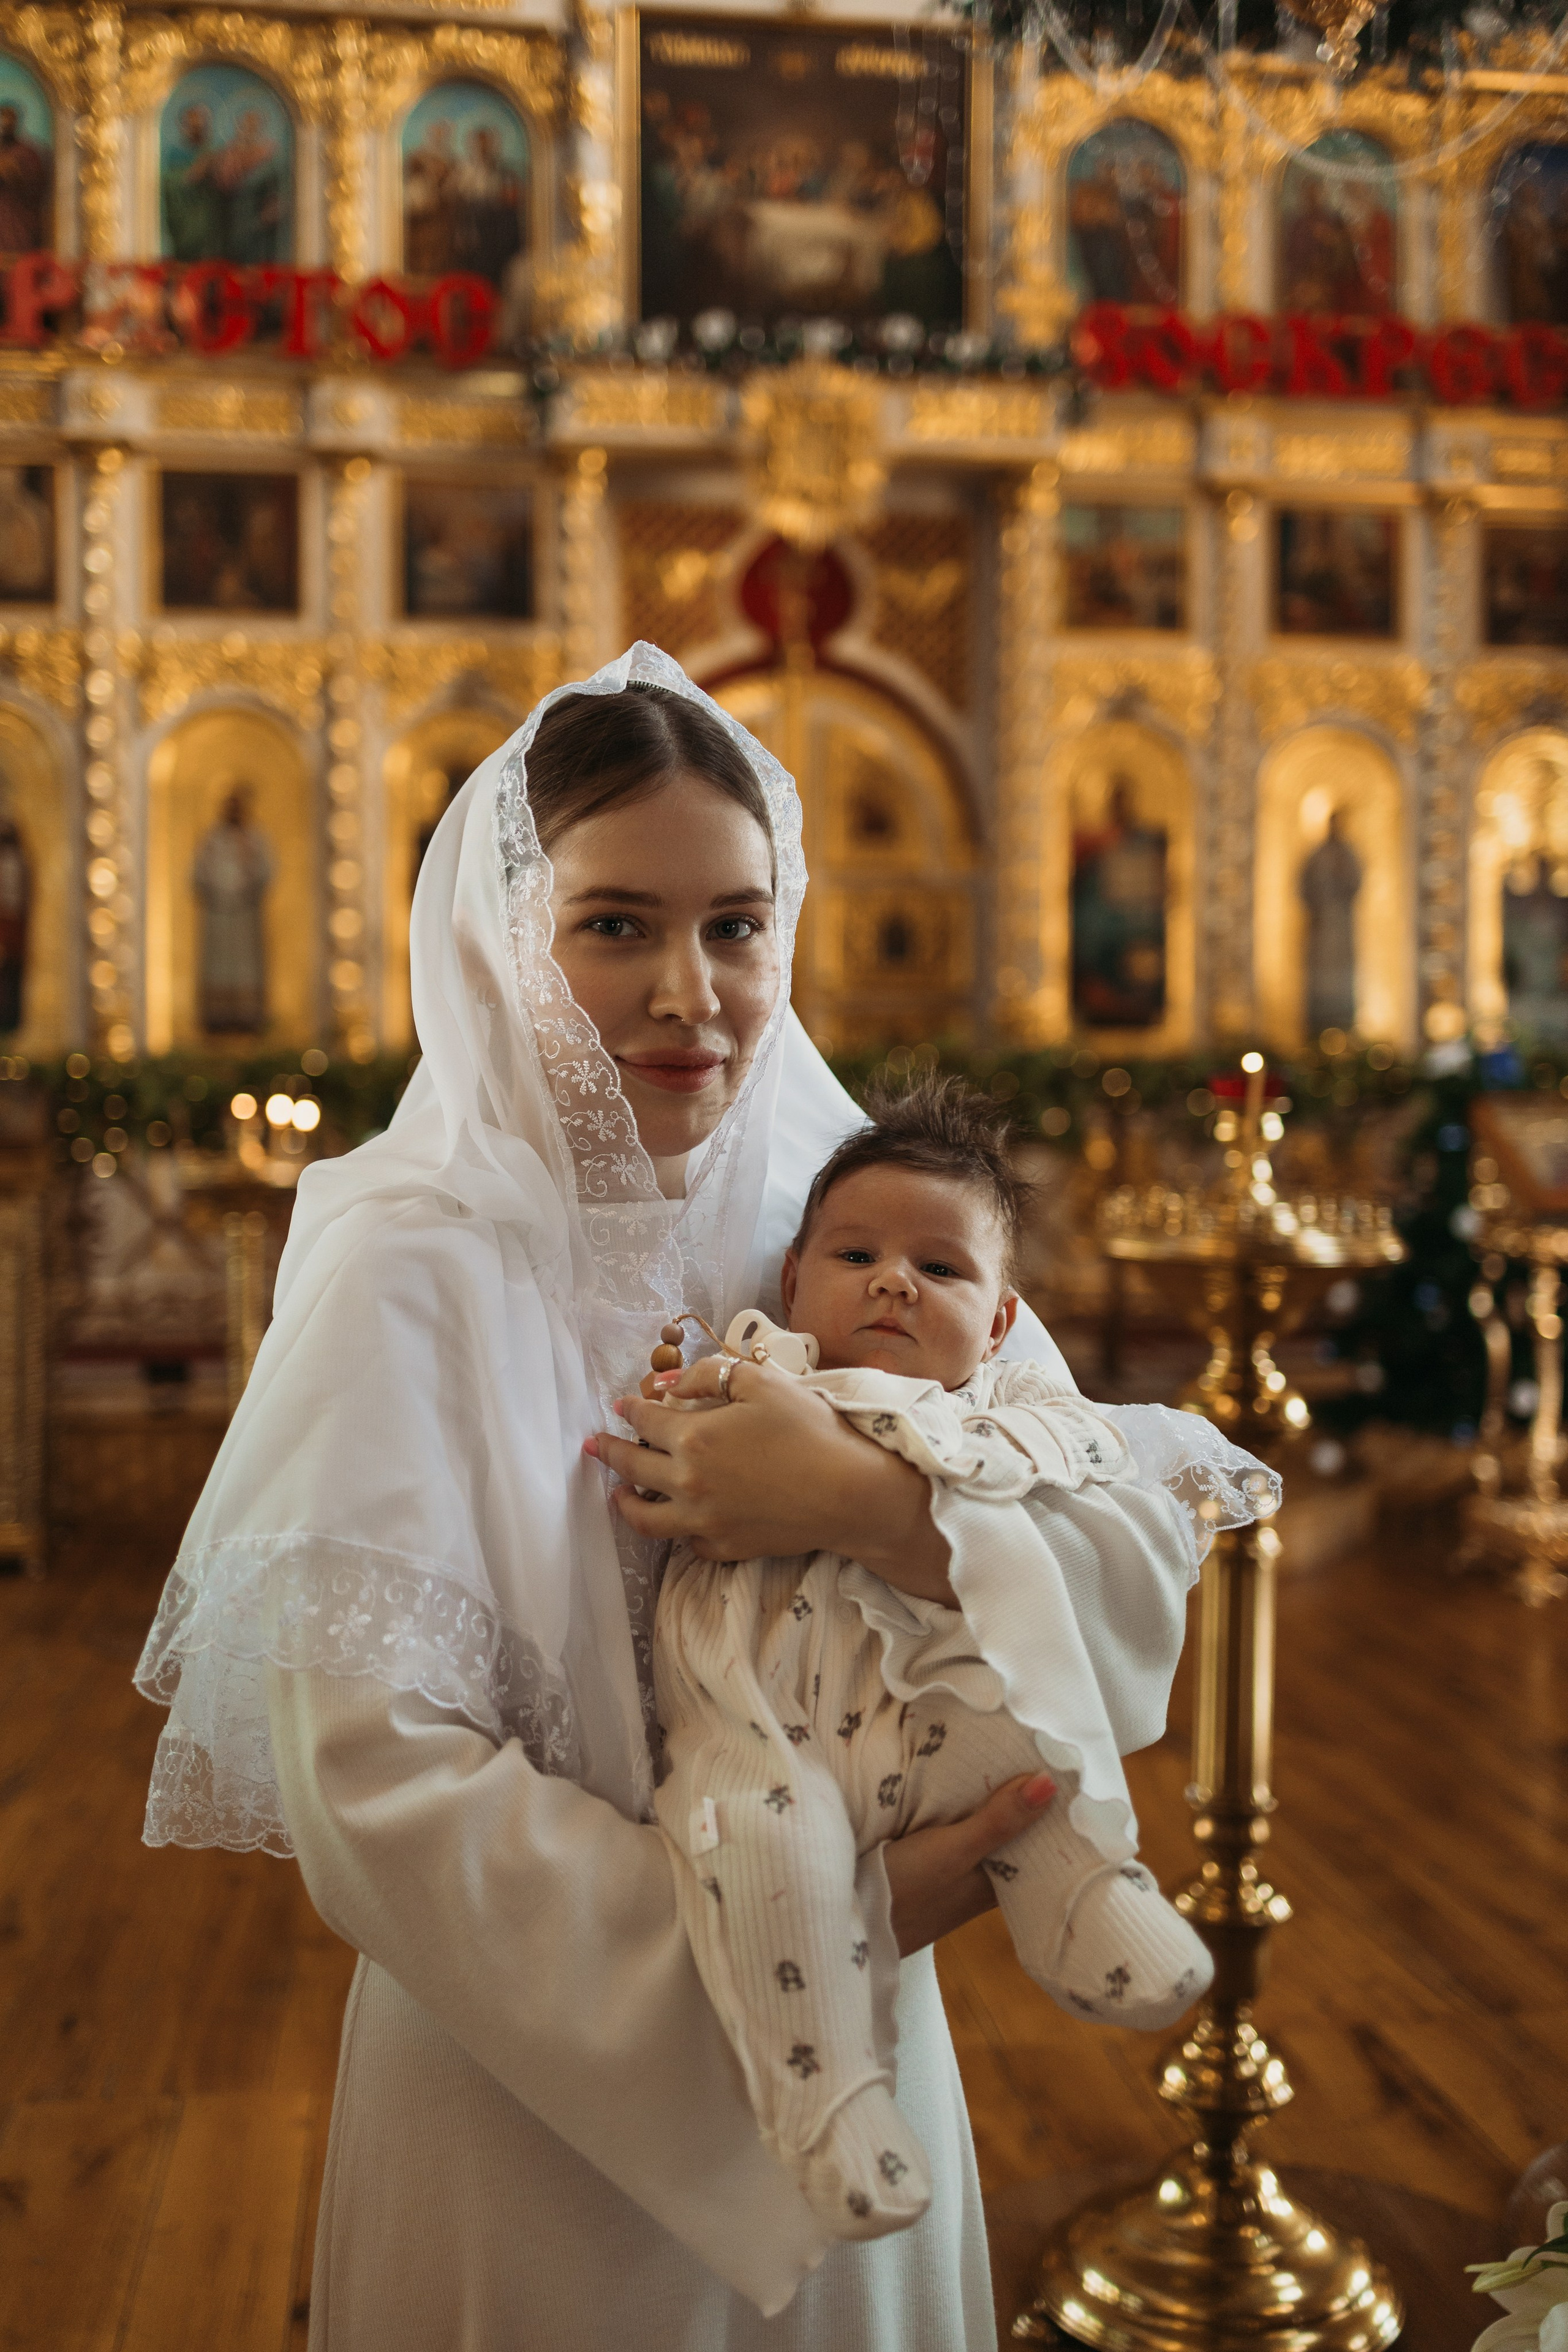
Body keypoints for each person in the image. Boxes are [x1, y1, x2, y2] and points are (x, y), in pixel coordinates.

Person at [135, 646, 1227, 2350]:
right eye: (615, 925)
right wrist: (818, 1922)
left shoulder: (856, 1223)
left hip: (873, 2054)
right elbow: (370, 1785)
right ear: (514, 942)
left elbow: (1123, 1553)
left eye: (735, 924)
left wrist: (874, 1504)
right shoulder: (407, 1272)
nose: (689, 994)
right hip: (529, 2095)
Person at [652, 1080, 1280, 2242]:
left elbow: (1083, 1478)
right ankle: (827, 2098)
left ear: (998, 1325)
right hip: (760, 1713)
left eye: (942, 1271)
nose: (897, 1279)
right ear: (793, 1281)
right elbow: (676, 1428)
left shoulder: (999, 1408)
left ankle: (1084, 1896)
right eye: (858, 1253)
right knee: (756, 1838)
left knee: (1028, 1742)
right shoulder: (763, 1367)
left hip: (921, 1708)